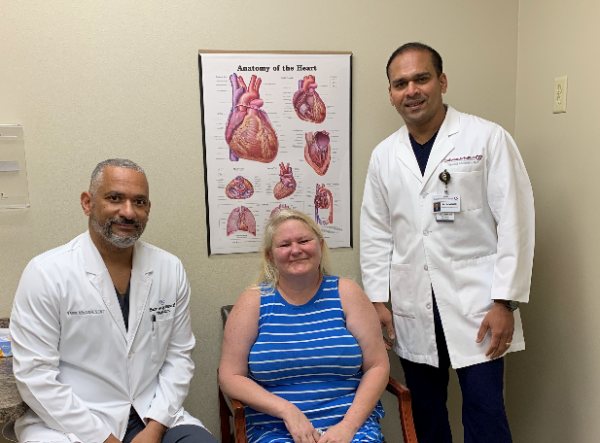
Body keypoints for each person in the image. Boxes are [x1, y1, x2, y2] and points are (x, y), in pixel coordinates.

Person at [360, 43, 535, 443]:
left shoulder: (487, 138)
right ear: (391, 94)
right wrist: (377, 301)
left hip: (479, 304)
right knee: (426, 414)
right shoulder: (384, 156)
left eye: (421, 78)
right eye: (400, 83)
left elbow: (516, 221)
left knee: (485, 412)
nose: (411, 90)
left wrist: (504, 301)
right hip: (413, 304)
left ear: (441, 81)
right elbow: (375, 231)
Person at [10, 159, 216, 443]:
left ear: (148, 209)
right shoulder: (46, 273)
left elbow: (179, 358)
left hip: (154, 416)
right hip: (74, 423)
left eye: (139, 202)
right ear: (87, 202)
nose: (128, 212)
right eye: (115, 198)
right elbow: (35, 376)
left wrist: (154, 430)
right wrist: (105, 439)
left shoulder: (170, 268)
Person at [219, 209, 389, 443]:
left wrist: (348, 427)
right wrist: (287, 411)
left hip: (350, 428)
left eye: (304, 241)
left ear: (320, 245)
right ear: (270, 255)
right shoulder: (253, 301)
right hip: (275, 429)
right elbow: (230, 376)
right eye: (284, 244)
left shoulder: (347, 293)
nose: (296, 250)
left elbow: (377, 366)